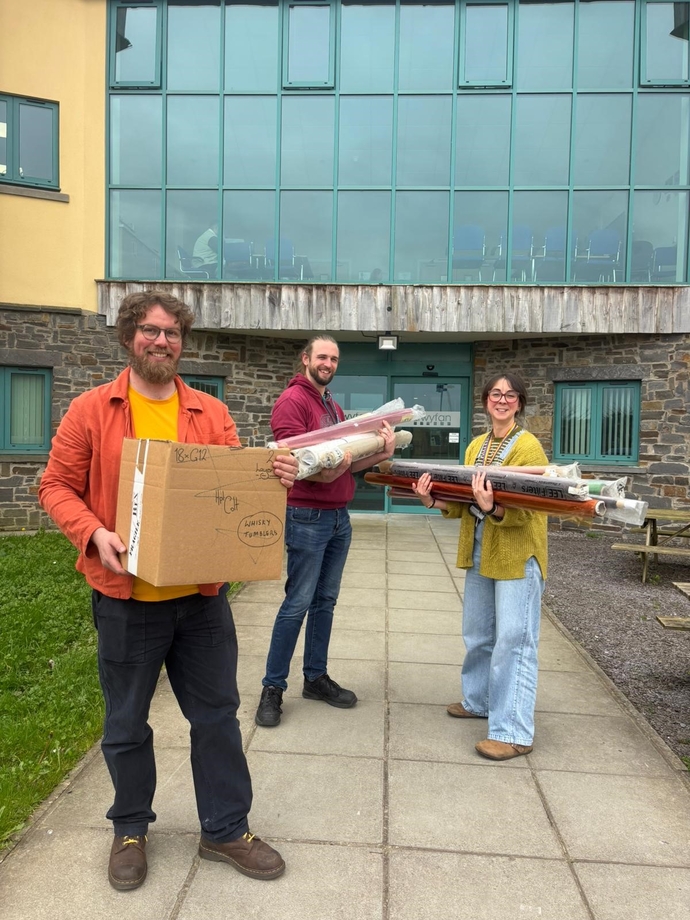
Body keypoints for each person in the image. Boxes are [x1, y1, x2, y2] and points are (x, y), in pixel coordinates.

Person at [38, 290, 298, 891]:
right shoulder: (90, 410)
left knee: (217, 718)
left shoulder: (210, 411)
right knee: (126, 723)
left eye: (173, 334)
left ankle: (226, 829)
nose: (162, 342)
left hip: (201, 600)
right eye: (151, 331)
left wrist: (274, 473)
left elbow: (233, 487)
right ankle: (130, 829)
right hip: (126, 601)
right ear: (130, 336)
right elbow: (55, 486)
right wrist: (93, 532)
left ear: (183, 342)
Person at [255, 335, 396, 727]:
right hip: (307, 517)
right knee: (297, 604)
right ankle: (272, 689)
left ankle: (315, 678)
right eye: (322, 356)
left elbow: (343, 466)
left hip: (338, 519)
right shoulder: (293, 402)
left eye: (333, 358)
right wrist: (328, 471)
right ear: (305, 359)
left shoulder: (331, 405)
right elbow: (293, 464)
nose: (328, 363)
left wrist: (382, 452)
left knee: (325, 603)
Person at [413, 373, 548, 761]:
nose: (501, 400)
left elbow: (530, 509)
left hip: (517, 555)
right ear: (486, 400)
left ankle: (514, 731)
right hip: (480, 552)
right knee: (478, 634)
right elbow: (461, 503)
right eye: (495, 394)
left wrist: (491, 507)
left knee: (514, 642)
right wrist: (430, 500)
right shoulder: (476, 445)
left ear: (519, 403)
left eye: (509, 395)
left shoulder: (528, 448)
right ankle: (479, 701)